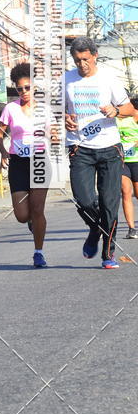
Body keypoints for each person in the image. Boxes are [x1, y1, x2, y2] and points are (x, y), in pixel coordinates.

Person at [65, 37, 133, 269]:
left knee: (109, 203)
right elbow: (55, 111)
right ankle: (95, 227)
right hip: (80, 147)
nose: (82, 64)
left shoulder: (109, 79)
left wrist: (116, 110)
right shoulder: (66, 80)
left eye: (85, 59)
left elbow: (129, 109)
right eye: (77, 60)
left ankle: (108, 253)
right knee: (83, 199)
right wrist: (64, 118)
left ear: (94, 56)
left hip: (109, 148)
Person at [0, 62, 49, 268]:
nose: (24, 92)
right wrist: (3, 152)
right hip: (18, 162)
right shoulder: (10, 108)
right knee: (22, 215)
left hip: (40, 161)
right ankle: (30, 223)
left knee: (37, 210)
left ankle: (38, 252)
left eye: (28, 87)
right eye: (20, 89)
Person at [118, 97, 138, 239]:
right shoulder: (113, 118)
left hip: (136, 159)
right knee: (126, 192)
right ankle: (131, 228)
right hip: (121, 161)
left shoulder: (135, 114)